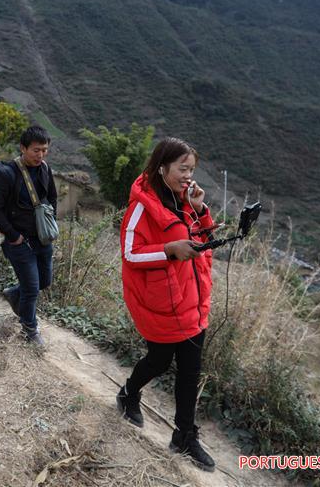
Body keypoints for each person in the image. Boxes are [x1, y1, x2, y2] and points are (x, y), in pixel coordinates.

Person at [116, 137, 216, 472]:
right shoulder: (142, 206)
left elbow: (202, 244)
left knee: (190, 372)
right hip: (161, 301)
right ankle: (129, 393)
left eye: (192, 170)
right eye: (182, 169)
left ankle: (184, 436)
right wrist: (169, 250)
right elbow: (130, 253)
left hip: (192, 298)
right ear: (162, 168)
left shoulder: (185, 200)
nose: (188, 176)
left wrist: (200, 210)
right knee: (158, 361)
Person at [0, 126, 57, 346]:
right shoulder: (8, 174)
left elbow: (51, 198)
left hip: (41, 238)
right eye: (36, 150)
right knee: (31, 286)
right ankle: (30, 328)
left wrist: (49, 225)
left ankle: (14, 294)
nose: (40, 155)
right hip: (19, 241)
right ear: (23, 148)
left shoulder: (45, 169)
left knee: (45, 280)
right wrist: (13, 235)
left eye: (44, 150)